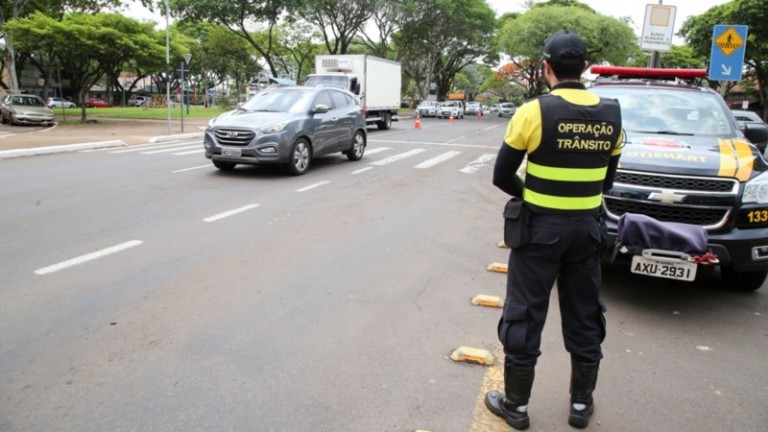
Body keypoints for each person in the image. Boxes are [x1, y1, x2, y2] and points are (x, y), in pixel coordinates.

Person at [486, 30, 624, 430]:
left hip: (539, 231)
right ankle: (581, 406)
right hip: (587, 231)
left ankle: (517, 406)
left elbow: (501, 175)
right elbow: (606, 182)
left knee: (525, 313)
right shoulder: (612, 113)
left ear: (546, 67)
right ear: (584, 67)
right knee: (584, 313)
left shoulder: (534, 111)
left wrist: (534, 194)